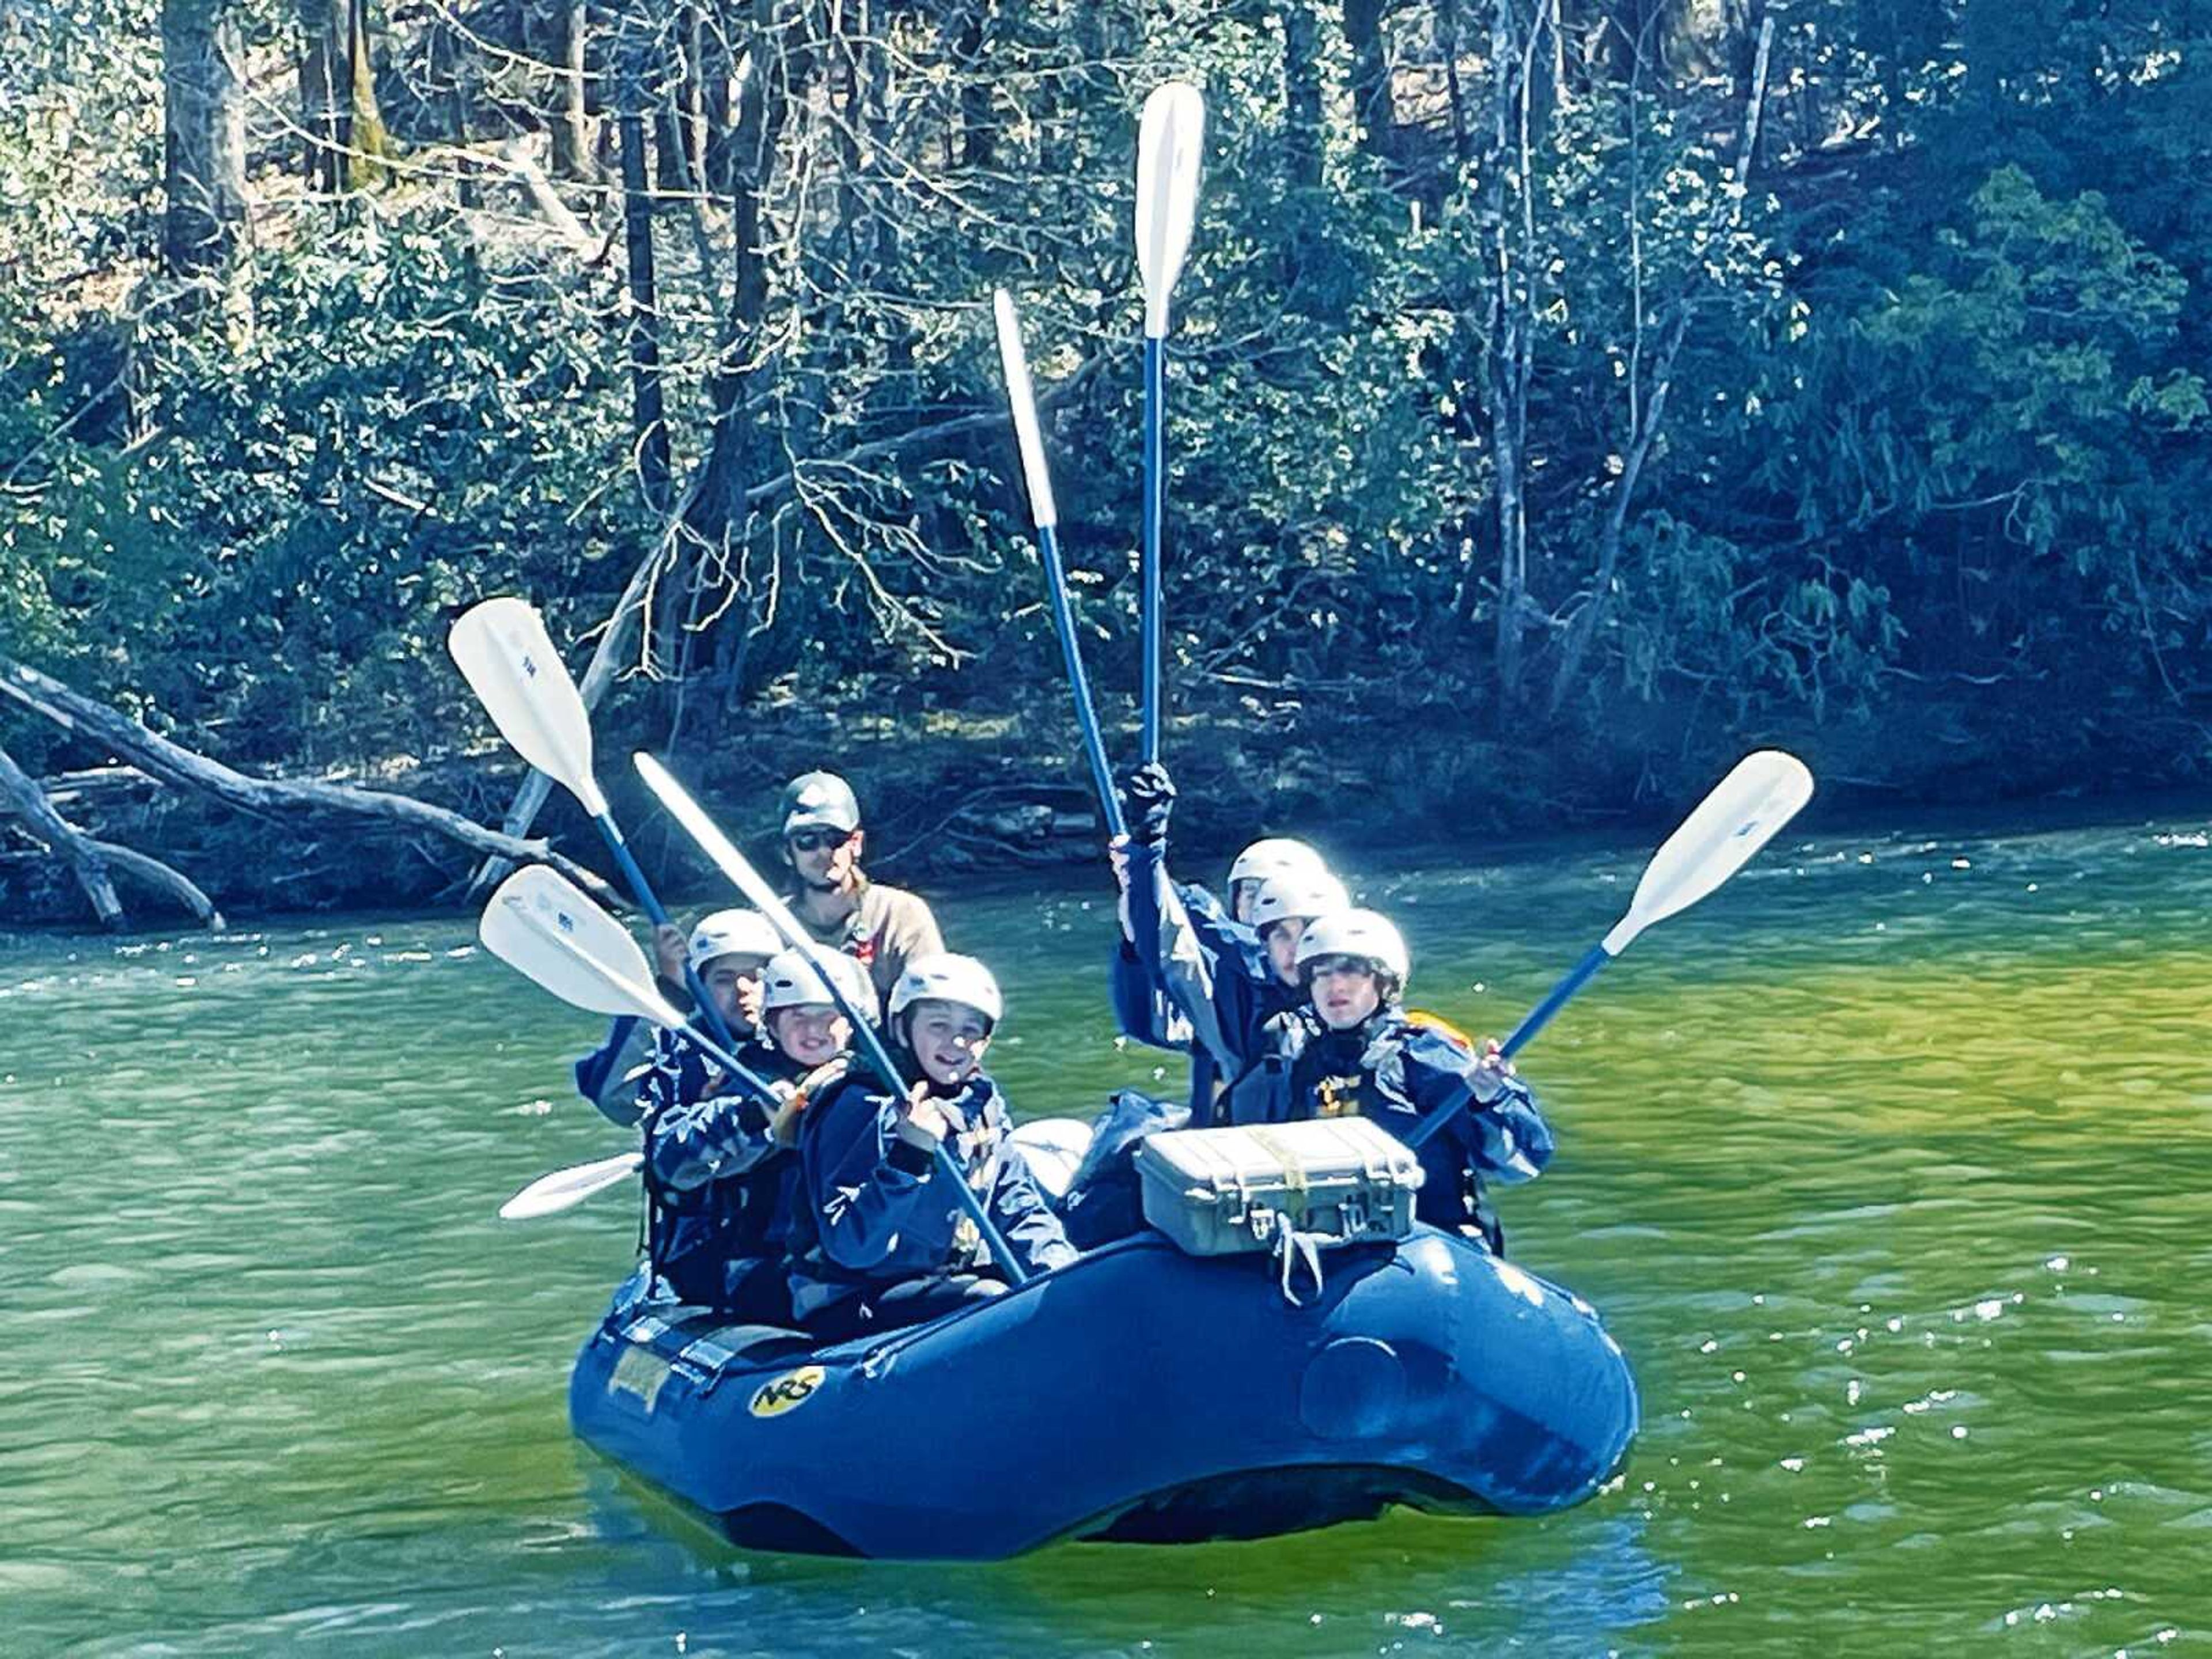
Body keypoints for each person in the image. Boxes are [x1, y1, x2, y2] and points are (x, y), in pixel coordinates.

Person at [1221, 908, 1554, 1255]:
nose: (1335, 985)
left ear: (1383, 981)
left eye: (1351, 971)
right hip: (1335, 1243)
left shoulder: (1422, 1054)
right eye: (1321, 974)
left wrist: (1489, 1099)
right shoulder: (1298, 1061)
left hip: (1429, 1244)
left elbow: (1523, 1162)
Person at [784, 953, 1074, 1338]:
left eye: (971, 1030)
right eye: (938, 1025)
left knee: (1061, 1279)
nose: (956, 1042)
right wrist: (908, 1157)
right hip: (855, 1294)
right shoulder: (861, 1104)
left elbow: (1017, 1205)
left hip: (943, 1276)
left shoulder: (979, 1102)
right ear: (903, 1029)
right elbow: (852, 1248)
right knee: (988, 1299)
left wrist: (1065, 1274)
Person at [637, 942, 874, 1319]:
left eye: (828, 1016)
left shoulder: (876, 1084)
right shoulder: (747, 1082)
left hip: (856, 1256)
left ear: (852, 1021)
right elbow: (669, 1164)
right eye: (797, 1017)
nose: (813, 1031)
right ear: (773, 1023)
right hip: (762, 1263)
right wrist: (749, 1117)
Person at [1109, 760, 1340, 1124]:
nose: (1262, 905)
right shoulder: (1227, 985)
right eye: (1250, 894)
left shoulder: (1348, 990)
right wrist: (1138, 908)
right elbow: (1158, 1014)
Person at [573, 908, 780, 1127]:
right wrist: (671, 992)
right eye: (724, 979)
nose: (743, 989)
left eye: (756, 977)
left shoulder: (802, 1040)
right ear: (701, 986)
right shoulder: (679, 1052)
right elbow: (618, 1102)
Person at [777, 770, 944, 1011]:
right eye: (807, 840)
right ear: (787, 852)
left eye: (835, 839)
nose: (823, 852)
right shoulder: (770, 925)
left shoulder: (903, 915)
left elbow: (933, 1007)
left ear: (856, 844)